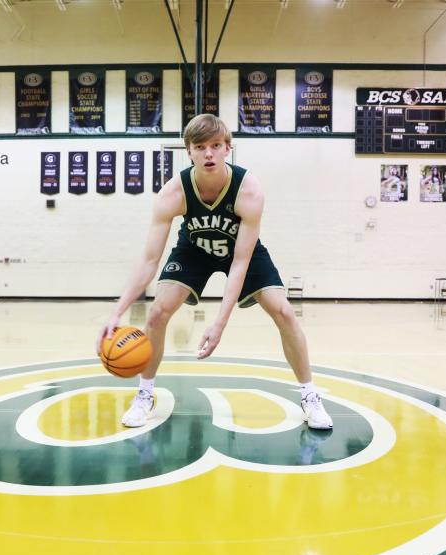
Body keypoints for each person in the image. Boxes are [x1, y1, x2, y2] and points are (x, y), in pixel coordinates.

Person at [96, 114, 332, 431]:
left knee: (284, 311)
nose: (209, 153)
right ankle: (145, 394)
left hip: (240, 251)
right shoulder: (172, 193)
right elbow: (150, 260)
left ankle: (310, 395)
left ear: (227, 148)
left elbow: (239, 261)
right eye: (200, 146)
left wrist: (219, 322)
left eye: (216, 146)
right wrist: (117, 312)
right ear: (189, 151)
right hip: (194, 247)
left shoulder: (248, 191)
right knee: (156, 313)